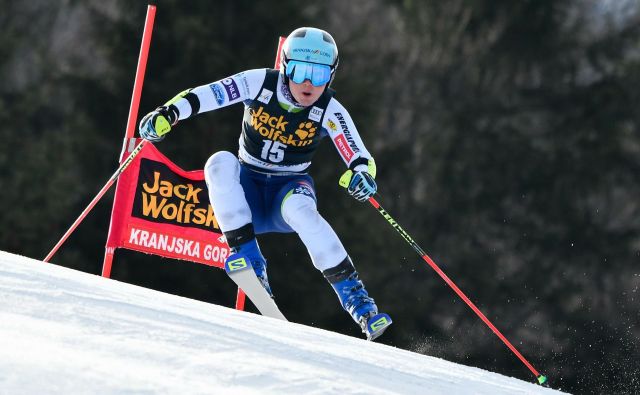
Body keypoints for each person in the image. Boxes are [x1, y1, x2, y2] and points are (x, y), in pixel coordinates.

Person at [138, 27, 391, 340]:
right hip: (247, 187)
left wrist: (362, 174)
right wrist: (170, 112)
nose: (309, 83)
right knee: (218, 163)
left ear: (332, 75)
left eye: (320, 74)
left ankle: (359, 304)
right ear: (285, 66)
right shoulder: (259, 82)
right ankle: (250, 259)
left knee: (303, 212)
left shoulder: (329, 109)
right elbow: (209, 94)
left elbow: (358, 153)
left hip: (288, 188)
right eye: (299, 71)